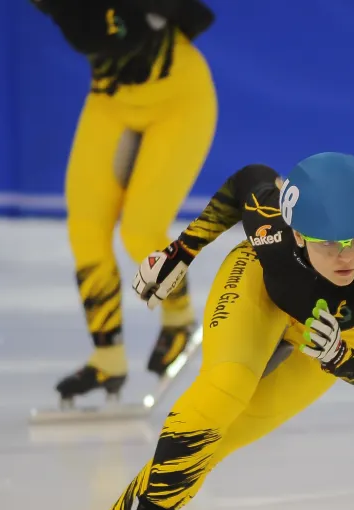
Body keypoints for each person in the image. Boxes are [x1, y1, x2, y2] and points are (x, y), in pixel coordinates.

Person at [10, 152, 354, 510]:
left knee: (223, 437)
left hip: (334, 337)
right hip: (260, 287)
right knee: (224, 389)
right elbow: (250, 178)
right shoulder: (270, 228)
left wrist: (341, 358)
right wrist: (180, 252)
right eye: (327, 242)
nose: (345, 255)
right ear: (297, 233)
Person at [29, 0, 218, 403]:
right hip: (112, 101)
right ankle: (108, 356)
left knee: (140, 231)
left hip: (179, 100)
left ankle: (179, 318)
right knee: (85, 228)